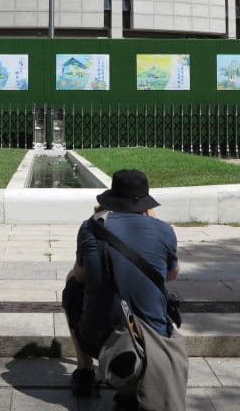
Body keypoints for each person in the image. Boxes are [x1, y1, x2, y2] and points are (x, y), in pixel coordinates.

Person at [62, 169, 180, 407]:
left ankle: (85, 370)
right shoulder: (165, 230)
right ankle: (132, 383)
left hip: (97, 338)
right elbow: (170, 275)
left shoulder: (90, 228)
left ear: (112, 199)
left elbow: (80, 274)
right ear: (146, 203)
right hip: (152, 339)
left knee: (72, 286)